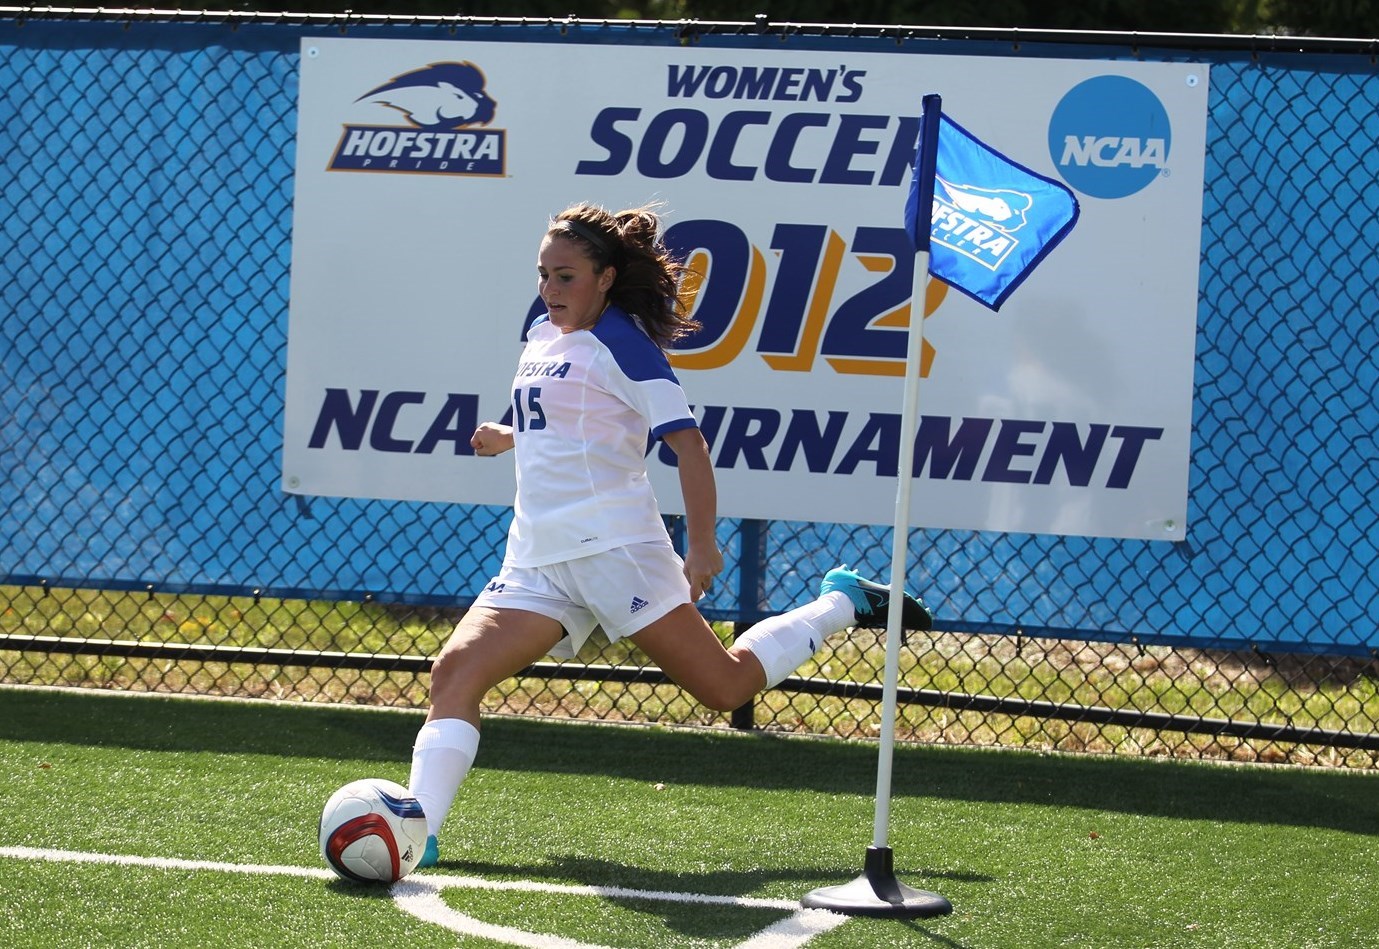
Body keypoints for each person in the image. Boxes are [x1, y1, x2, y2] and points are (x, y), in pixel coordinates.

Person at [407, 201, 932, 867]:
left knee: (725, 688)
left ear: (605, 277)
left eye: (565, 276)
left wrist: (703, 544)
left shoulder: (625, 345)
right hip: (538, 557)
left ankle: (841, 602)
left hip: (616, 552)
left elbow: (688, 447)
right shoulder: (543, 333)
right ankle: (416, 831)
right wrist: (506, 435)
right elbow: (567, 422)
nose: (549, 289)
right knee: (454, 672)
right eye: (542, 274)